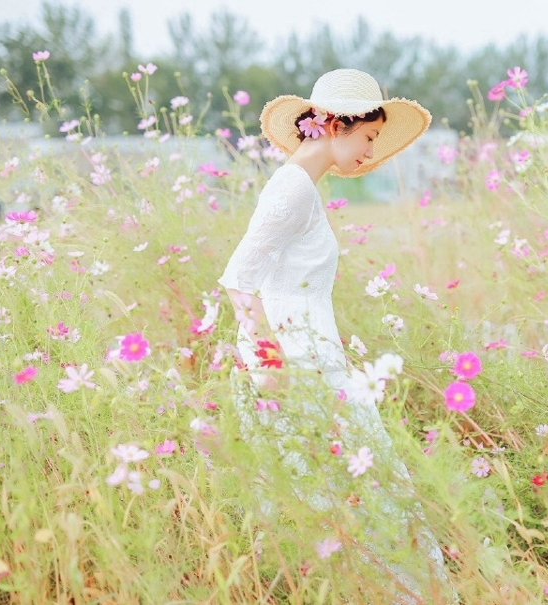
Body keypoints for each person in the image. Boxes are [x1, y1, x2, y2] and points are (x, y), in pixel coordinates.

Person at [217, 69, 455, 603]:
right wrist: (271, 363)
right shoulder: (292, 188)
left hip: (310, 353)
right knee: (352, 489)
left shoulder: (302, 185)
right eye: (368, 137)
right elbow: (238, 278)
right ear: (336, 124)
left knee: (350, 489)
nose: (369, 151)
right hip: (292, 362)